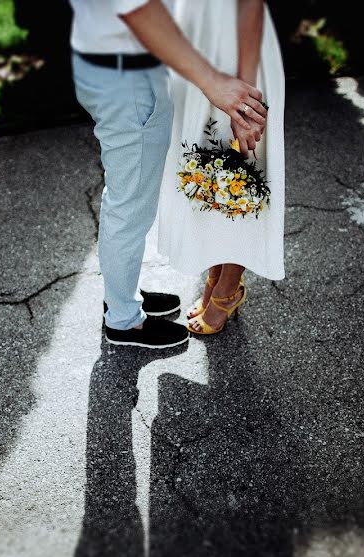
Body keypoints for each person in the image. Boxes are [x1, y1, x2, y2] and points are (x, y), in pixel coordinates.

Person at [69, 0, 268, 349]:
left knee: (126, 198)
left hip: (118, 62)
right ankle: (124, 322)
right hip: (126, 75)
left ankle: (123, 295)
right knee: (128, 207)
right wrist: (212, 81)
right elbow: (136, 6)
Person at [157, 0, 285, 335]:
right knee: (209, 180)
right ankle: (216, 275)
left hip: (238, 57)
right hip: (195, 54)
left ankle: (228, 289)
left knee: (243, 179)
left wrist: (244, 101)